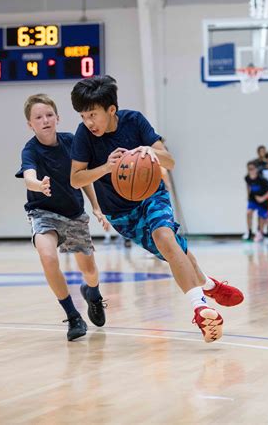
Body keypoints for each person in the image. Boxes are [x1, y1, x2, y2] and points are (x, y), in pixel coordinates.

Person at [70, 75, 244, 344]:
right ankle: (209, 285)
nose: (88, 122)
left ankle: (200, 309)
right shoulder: (84, 136)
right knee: (177, 252)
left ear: (111, 110)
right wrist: (105, 167)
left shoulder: (135, 121)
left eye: (92, 114)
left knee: (166, 239)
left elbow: (170, 161)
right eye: (83, 116)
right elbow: (76, 178)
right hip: (121, 214)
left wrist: (150, 153)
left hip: (152, 196)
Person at [15, 94, 108, 342]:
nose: (44, 120)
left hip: (74, 213)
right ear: (30, 124)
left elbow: (83, 177)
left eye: (48, 115)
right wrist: (38, 185)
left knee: (89, 271)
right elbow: (28, 176)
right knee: (47, 256)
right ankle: (73, 316)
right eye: (38, 117)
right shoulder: (30, 149)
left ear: (57, 117)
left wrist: (96, 207)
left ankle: (94, 294)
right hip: (43, 212)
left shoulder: (70, 142)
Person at [244, 161, 268, 242]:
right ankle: (249, 232)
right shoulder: (247, 178)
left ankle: (264, 233)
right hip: (253, 199)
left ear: (256, 169)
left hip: (262, 200)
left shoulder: (262, 179)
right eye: (249, 169)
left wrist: (263, 198)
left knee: (263, 217)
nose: (250, 171)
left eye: (252, 169)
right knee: (248, 212)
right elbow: (248, 185)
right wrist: (248, 195)